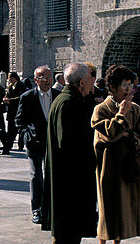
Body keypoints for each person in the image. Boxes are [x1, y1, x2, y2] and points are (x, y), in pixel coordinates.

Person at [92, 64, 140, 243]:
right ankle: (103, 240)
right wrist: (120, 116)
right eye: (124, 84)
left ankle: (119, 240)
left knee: (126, 209)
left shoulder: (136, 109)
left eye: (130, 84)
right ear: (113, 87)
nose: (128, 88)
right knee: (109, 207)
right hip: (108, 167)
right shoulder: (101, 109)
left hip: (130, 166)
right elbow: (108, 135)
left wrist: (131, 136)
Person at [43, 63, 98, 244]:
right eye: (91, 78)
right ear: (82, 82)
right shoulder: (68, 103)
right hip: (70, 184)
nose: (93, 82)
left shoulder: (69, 99)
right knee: (68, 234)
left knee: (67, 234)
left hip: (68, 183)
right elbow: (69, 145)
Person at [17, 65, 55, 225]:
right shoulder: (27, 97)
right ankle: (37, 209)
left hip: (54, 143)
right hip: (34, 142)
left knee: (53, 176)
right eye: (43, 78)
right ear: (36, 80)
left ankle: (52, 208)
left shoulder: (59, 96)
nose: (47, 81)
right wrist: (27, 135)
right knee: (36, 176)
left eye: (49, 77)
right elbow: (19, 120)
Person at [5, 71, 26, 149]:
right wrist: (5, 99)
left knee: (20, 130)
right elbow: (6, 95)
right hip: (11, 111)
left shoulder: (21, 85)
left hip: (18, 111)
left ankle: (20, 145)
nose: (9, 79)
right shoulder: (9, 86)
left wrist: (11, 100)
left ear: (14, 78)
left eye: (10, 77)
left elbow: (22, 97)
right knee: (10, 130)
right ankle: (8, 146)